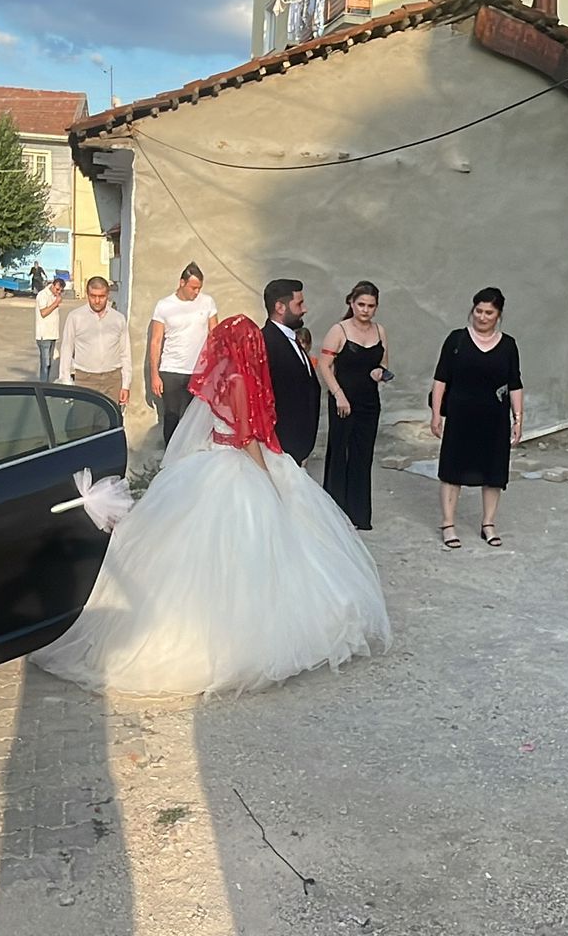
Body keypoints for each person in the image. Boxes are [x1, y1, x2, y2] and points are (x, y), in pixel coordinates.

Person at [31, 315, 391, 695]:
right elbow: (245, 436)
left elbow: (210, 425)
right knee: (256, 547)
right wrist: (268, 476)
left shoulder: (218, 374)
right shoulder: (240, 380)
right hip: (237, 462)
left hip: (211, 457)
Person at [431, 287, 523, 550]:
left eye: (489, 313)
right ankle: (448, 524)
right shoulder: (456, 340)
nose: (482, 317)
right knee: (452, 470)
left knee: (494, 472)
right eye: (478, 311)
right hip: (460, 417)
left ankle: (488, 523)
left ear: (499, 315)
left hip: (495, 418)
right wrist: (436, 414)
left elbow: (515, 383)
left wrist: (518, 419)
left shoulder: (508, 345)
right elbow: (440, 379)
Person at [317, 281, 389, 530]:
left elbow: (384, 363)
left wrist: (380, 372)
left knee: (363, 455)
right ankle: (335, 513)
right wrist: (339, 395)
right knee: (339, 452)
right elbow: (324, 365)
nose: (365, 310)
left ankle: (359, 515)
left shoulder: (380, 331)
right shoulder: (339, 330)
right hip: (343, 401)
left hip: (369, 401)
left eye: (371, 306)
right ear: (351, 302)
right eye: (361, 304)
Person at [149, 263, 218, 443]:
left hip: (198, 370)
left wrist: (214, 368)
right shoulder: (164, 305)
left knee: (194, 419)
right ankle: (170, 454)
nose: (196, 292)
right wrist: (154, 374)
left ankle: (192, 453)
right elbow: (156, 341)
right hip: (171, 369)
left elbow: (215, 335)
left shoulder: (207, 302)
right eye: (193, 288)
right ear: (182, 283)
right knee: (171, 416)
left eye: (199, 288)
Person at [261, 278, 320, 461]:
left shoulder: (291, 338)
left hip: (297, 443)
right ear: (280, 307)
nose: (305, 309)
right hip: (282, 443)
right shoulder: (267, 341)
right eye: (299, 304)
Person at [58, 276, 131, 406]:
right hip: (86, 380)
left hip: (113, 381)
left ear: (108, 295)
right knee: (84, 418)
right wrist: (66, 382)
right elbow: (66, 350)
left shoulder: (118, 319)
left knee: (110, 418)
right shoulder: (75, 317)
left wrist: (126, 385)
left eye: (101, 296)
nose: (97, 301)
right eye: (93, 296)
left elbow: (125, 353)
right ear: (87, 294)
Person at [34, 276, 67, 382]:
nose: (58, 292)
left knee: (49, 363)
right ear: (52, 285)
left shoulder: (55, 295)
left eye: (61, 291)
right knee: (45, 364)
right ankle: (43, 385)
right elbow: (43, 313)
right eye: (57, 289)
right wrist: (56, 303)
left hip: (52, 334)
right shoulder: (43, 295)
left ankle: (46, 383)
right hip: (44, 335)